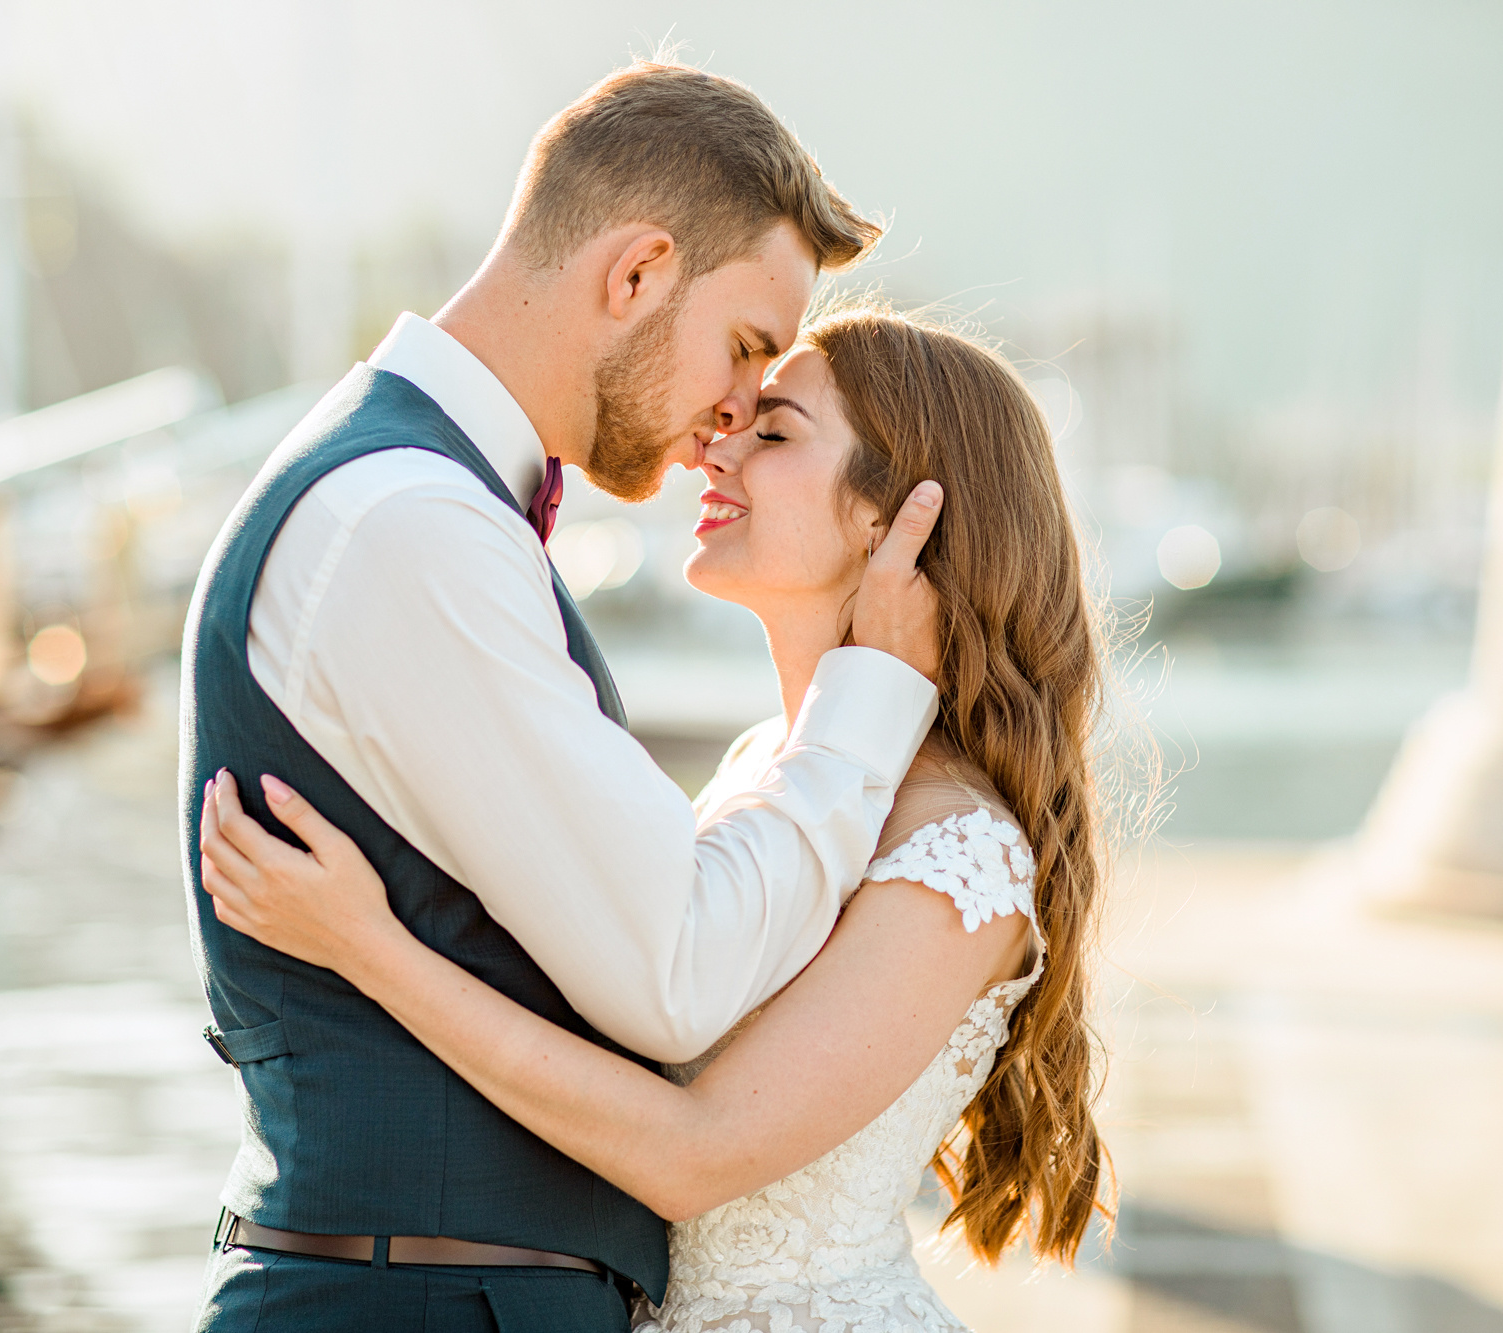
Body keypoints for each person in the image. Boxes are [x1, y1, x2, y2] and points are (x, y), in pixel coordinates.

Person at [180, 61, 949, 1333]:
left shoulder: (420, 503)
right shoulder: (409, 526)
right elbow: (676, 971)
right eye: (745, 348)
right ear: (636, 274)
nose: (734, 413)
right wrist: (869, 696)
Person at [200, 306, 1114, 1333]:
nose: (716, 448)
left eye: (772, 434)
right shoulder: (759, 769)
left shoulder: (958, 858)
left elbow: (694, 1152)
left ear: (893, 516)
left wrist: (370, 947)